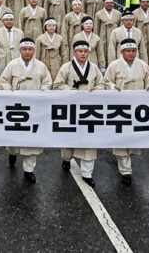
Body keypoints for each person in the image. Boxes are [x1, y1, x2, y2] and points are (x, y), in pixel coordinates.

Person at [52, 40, 105, 187]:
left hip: (89, 110)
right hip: (71, 108)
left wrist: (97, 90)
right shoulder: (66, 67)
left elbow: (102, 83)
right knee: (69, 138)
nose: (83, 54)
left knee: (89, 140)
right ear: (75, 52)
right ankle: (66, 158)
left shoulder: (93, 68)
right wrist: (70, 90)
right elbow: (57, 85)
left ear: (89, 53)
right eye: (80, 51)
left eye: (85, 51)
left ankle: (87, 173)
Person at [0, 37, 52, 183]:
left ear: (34, 50)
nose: (27, 52)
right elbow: (3, 80)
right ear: (20, 50)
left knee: (32, 139)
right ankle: (12, 153)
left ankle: (29, 169)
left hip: (35, 109)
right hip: (16, 109)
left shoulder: (41, 66)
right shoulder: (12, 65)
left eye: (30, 49)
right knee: (15, 137)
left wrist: (43, 91)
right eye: (24, 49)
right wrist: (9, 90)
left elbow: (47, 81)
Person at [104, 39, 149, 186]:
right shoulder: (114, 66)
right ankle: (125, 170)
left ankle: (129, 157)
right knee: (121, 135)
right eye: (128, 50)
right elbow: (106, 81)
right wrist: (113, 86)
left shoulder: (142, 65)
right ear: (121, 51)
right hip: (120, 107)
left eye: (133, 50)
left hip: (137, 106)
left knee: (133, 135)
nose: (131, 53)